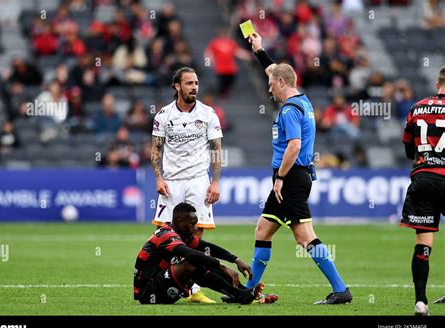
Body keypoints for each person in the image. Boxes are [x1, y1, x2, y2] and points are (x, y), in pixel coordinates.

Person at [244, 31, 352, 305]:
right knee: (263, 231)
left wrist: (279, 178)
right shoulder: (302, 101)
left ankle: (341, 289)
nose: (269, 88)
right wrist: (259, 50)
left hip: (290, 178)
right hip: (293, 176)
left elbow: (293, 146)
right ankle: (248, 290)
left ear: (281, 83)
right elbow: (275, 69)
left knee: (304, 236)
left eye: (271, 84)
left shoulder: (290, 110)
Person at [151, 66, 222, 303]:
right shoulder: (163, 115)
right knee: (164, 235)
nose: (194, 87)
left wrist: (215, 182)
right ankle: (160, 280)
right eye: (189, 83)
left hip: (199, 181)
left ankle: (192, 290)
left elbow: (217, 150)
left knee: (195, 237)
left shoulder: (208, 113)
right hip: (171, 182)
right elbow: (156, 149)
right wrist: (158, 178)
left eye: (196, 83)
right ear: (177, 86)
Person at [134, 202, 263, 305]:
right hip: (148, 292)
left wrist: (235, 259)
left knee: (202, 260)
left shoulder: (183, 235)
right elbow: (191, 255)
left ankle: (242, 293)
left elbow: (206, 247)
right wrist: (221, 266)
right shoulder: (165, 234)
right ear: (179, 221)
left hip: (165, 286)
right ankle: (239, 294)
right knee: (193, 262)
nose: (195, 228)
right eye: (192, 223)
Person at [399, 66, 445, 316]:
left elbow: (408, 149)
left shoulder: (418, 107)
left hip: (423, 178)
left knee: (423, 244)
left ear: (438, 84)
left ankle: (421, 302)